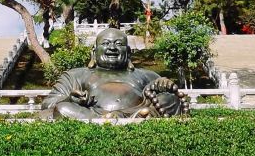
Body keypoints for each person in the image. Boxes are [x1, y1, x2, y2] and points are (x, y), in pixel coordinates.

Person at [41, 28, 188, 121]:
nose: (112, 48)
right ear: (94, 52)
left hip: (138, 111)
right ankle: (114, 119)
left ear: (128, 52)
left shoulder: (146, 75)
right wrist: (71, 98)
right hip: (94, 115)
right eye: (105, 43)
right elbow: (48, 104)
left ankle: (124, 117)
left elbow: (171, 99)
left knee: (171, 99)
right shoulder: (76, 75)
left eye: (118, 44)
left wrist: (164, 84)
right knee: (63, 108)